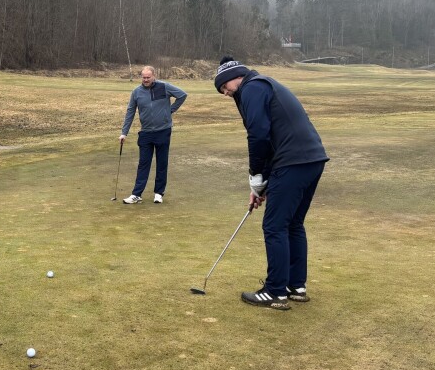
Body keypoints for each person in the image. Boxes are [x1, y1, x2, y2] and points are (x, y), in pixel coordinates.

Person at [214, 56, 329, 310]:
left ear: (235, 78)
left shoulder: (252, 88)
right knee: (293, 224)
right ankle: (295, 286)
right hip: (312, 160)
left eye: (224, 87)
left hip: (293, 162)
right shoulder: (264, 84)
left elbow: (258, 136)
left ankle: (275, 291)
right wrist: (261, 185)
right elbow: (271, 137)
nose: (225, 94)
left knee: (275, 226)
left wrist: (255, 176)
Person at [119, 66, 187, 204]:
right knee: (143, 164)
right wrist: (124, 133)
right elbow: (130, 112)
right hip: (145, 133)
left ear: (154, 76)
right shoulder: (136, 92)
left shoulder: (164, 87)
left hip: (163, 131)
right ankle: (136, 194)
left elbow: (182, 95)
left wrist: (170, 111)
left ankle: (158, 193)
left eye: (148, 77)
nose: (145, 80)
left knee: (162, 162)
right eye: (143, 77)